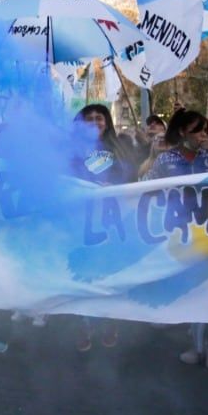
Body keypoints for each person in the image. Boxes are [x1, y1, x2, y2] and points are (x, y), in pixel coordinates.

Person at [143, 109, 208, 370]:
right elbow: (145, 186)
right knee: (191, 285)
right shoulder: (167, 159)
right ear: (182, 132)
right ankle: (195, 344)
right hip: (177, 232)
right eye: (197, 130)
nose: (203, 135)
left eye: (206, 130)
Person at [69, 104, 133, 351]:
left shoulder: (121, 147)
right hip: (81, 221)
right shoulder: (72, 151)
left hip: (114, 220)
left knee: (110, 271)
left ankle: (110, 320)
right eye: (89, 118)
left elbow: (132, 176)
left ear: (107, 121)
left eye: (100, 117)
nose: (95, 121)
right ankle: (84, 324)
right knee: (83, 271)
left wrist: (114, 184)